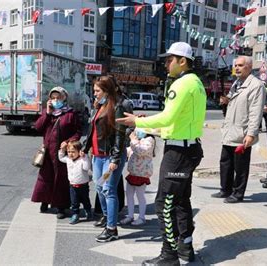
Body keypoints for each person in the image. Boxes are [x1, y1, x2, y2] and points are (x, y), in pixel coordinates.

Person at [116, 42, 206, 265]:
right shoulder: (196, 82)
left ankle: (169, 255)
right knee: (181, 201)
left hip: (179, 153)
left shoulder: (183, 84)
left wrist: (136, 121)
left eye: (169, 59)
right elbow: (175, 123)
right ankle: (185, 246)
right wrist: (146, 124)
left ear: (182, 61)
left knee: (164, 203)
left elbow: (167, 118)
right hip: (188, 147)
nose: (166, 63)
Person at [211, 56, 266, 203]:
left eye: (240, 65)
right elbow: (233, 99)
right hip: (230, 130)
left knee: (240, 166)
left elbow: (256, 112)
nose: (237, 68)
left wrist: (251, 134)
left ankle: (238, 193)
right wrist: (225, 100)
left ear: (249, 67)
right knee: (225, 162)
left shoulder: (256, 85)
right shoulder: (237, 82)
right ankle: (225, 189)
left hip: (242, 133)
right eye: (236, 65)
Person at [83, 75, 128, 242]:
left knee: (109, 190)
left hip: (110, 157)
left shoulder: (117, 107)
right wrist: (85, 147)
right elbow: (92, 131)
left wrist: (115, 159)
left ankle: (111, 228)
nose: (94, 93)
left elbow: (119, 135)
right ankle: (108, 217)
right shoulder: (99, 107)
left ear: (107, 91)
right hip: (98, 156)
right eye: (94, 90)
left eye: (97, 91)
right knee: (100, 188)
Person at [32, 87, 82, 219]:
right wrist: (47, 113)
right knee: (45, 178)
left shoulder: (70, 114)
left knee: (61, 179)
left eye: (58, 98)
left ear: (64, 98)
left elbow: (78, 132)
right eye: (53, 98)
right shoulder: (47, 112)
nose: (55, 100)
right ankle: (44, 201)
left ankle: (61, 206)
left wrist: (68, 141)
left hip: (63, 153)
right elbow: (38, 127)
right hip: (48, 152)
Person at [120, 128, 155, 226]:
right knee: (129, 195)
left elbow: (140, 151)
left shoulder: (149, 140)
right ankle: (130, 216)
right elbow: (129, 151)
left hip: (142, 173)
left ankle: (141, 217)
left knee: (140, 196)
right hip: (133, 173)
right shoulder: (136, 141)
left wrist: (133, 140)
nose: (137, 132)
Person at [58, 140, 92, 224]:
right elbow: (61, 158)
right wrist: (62, 150)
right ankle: (75, 214)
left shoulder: (82, 160)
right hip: (72, 185)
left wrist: (84, 157)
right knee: (74, 202)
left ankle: (88, 211)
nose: (70, 154)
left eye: (73, 152)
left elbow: (86, 167)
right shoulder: (68, 159)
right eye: (69, 152)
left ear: (79, 151)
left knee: (85, 200)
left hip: (83, 185)